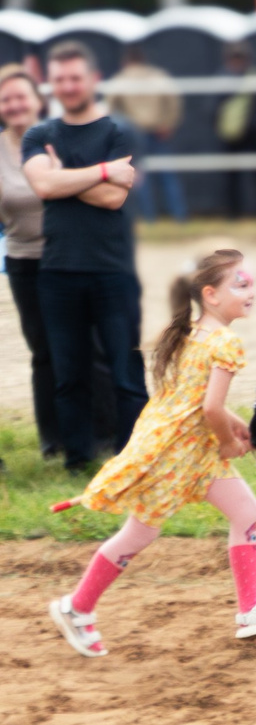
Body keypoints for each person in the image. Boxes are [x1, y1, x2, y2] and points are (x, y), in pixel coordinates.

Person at [45, 246, 256, 659]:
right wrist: (228, 441)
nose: (251, 291)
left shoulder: (191, 333)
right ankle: (76, 607)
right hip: (178, 455)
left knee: (245, 512)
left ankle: (251, 609)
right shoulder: (226, 343)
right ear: (211, 295)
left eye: (252, 283)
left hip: (181, 449)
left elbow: (194, 399)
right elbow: (209, 408)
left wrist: (232, 425)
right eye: (240, 284)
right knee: (140, 532)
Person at [21, 40, 150, 474]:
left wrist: (63, 176)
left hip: (113, 271)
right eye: (59, 79)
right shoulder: (39, 134)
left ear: (93, 79)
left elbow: (115, 198)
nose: (68, 86)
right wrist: (99, 170)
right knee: (69, 374)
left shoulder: (120, 132)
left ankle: (132, 461)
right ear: (50, 85)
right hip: (57, 272)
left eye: (75, 77)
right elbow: (42, 187)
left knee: (125, 371)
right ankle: (78, 462)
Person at [2, 64, 71, 461]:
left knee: (82, 347)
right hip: (24, 261)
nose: (13, 105)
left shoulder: (60, 139)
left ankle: (97, 433)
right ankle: (52, 438)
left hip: (71, 258)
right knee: (43, 350)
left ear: (36, 101)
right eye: (5, 99)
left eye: (20, 97)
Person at [112, 44, 189, 224]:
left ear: (126, 61)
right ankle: (180, 217)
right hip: (158, 131)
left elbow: (111, 106)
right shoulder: (158, 76)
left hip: (133, 133)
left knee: (140, 178)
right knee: (168, 176)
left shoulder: (121, 79)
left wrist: (122, 128)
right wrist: (168, 123)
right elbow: (174, 100)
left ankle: (148, 219)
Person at [213, 45, 256, 220]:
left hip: (243, 132)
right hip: (245, 131)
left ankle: (251, 213)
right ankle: (254, 213)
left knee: (251, 175)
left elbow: (213, 107)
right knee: (243, 175)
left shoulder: (223, 78)